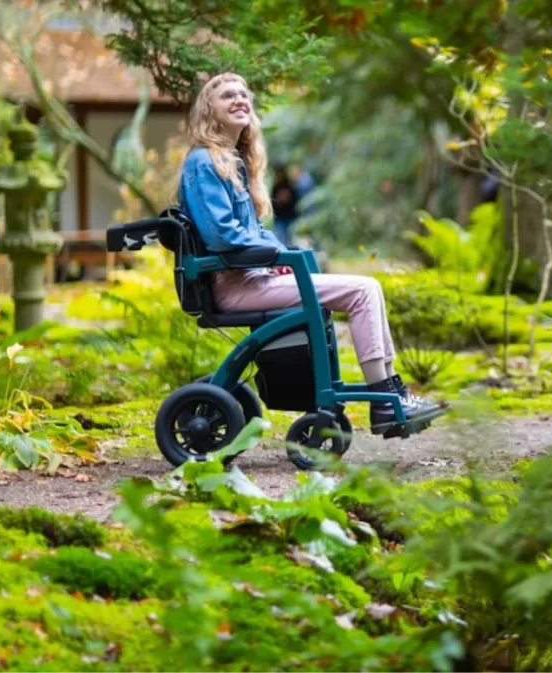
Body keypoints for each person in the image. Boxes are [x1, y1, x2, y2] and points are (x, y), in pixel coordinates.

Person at [176, 72, 442, 434]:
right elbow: (222, 235)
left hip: (254, 278)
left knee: (369, 288)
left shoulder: (231, 160)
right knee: (362, 291)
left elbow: (248, 234)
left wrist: (277, 257)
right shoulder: (204, 163)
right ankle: (384, 401)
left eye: (243, 94)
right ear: (210, 109)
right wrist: (279, 254)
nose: (239, 99)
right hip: (236, 285)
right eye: (227, 96)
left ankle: (393, 390)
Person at [270, 165, 299, 248]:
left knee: (292, 240)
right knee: (281, 240)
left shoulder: (290, 186)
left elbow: (296, 200)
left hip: (290, 216)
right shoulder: (276, 187)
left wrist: (287, 198)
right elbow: (271, 201)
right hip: (279, 217)